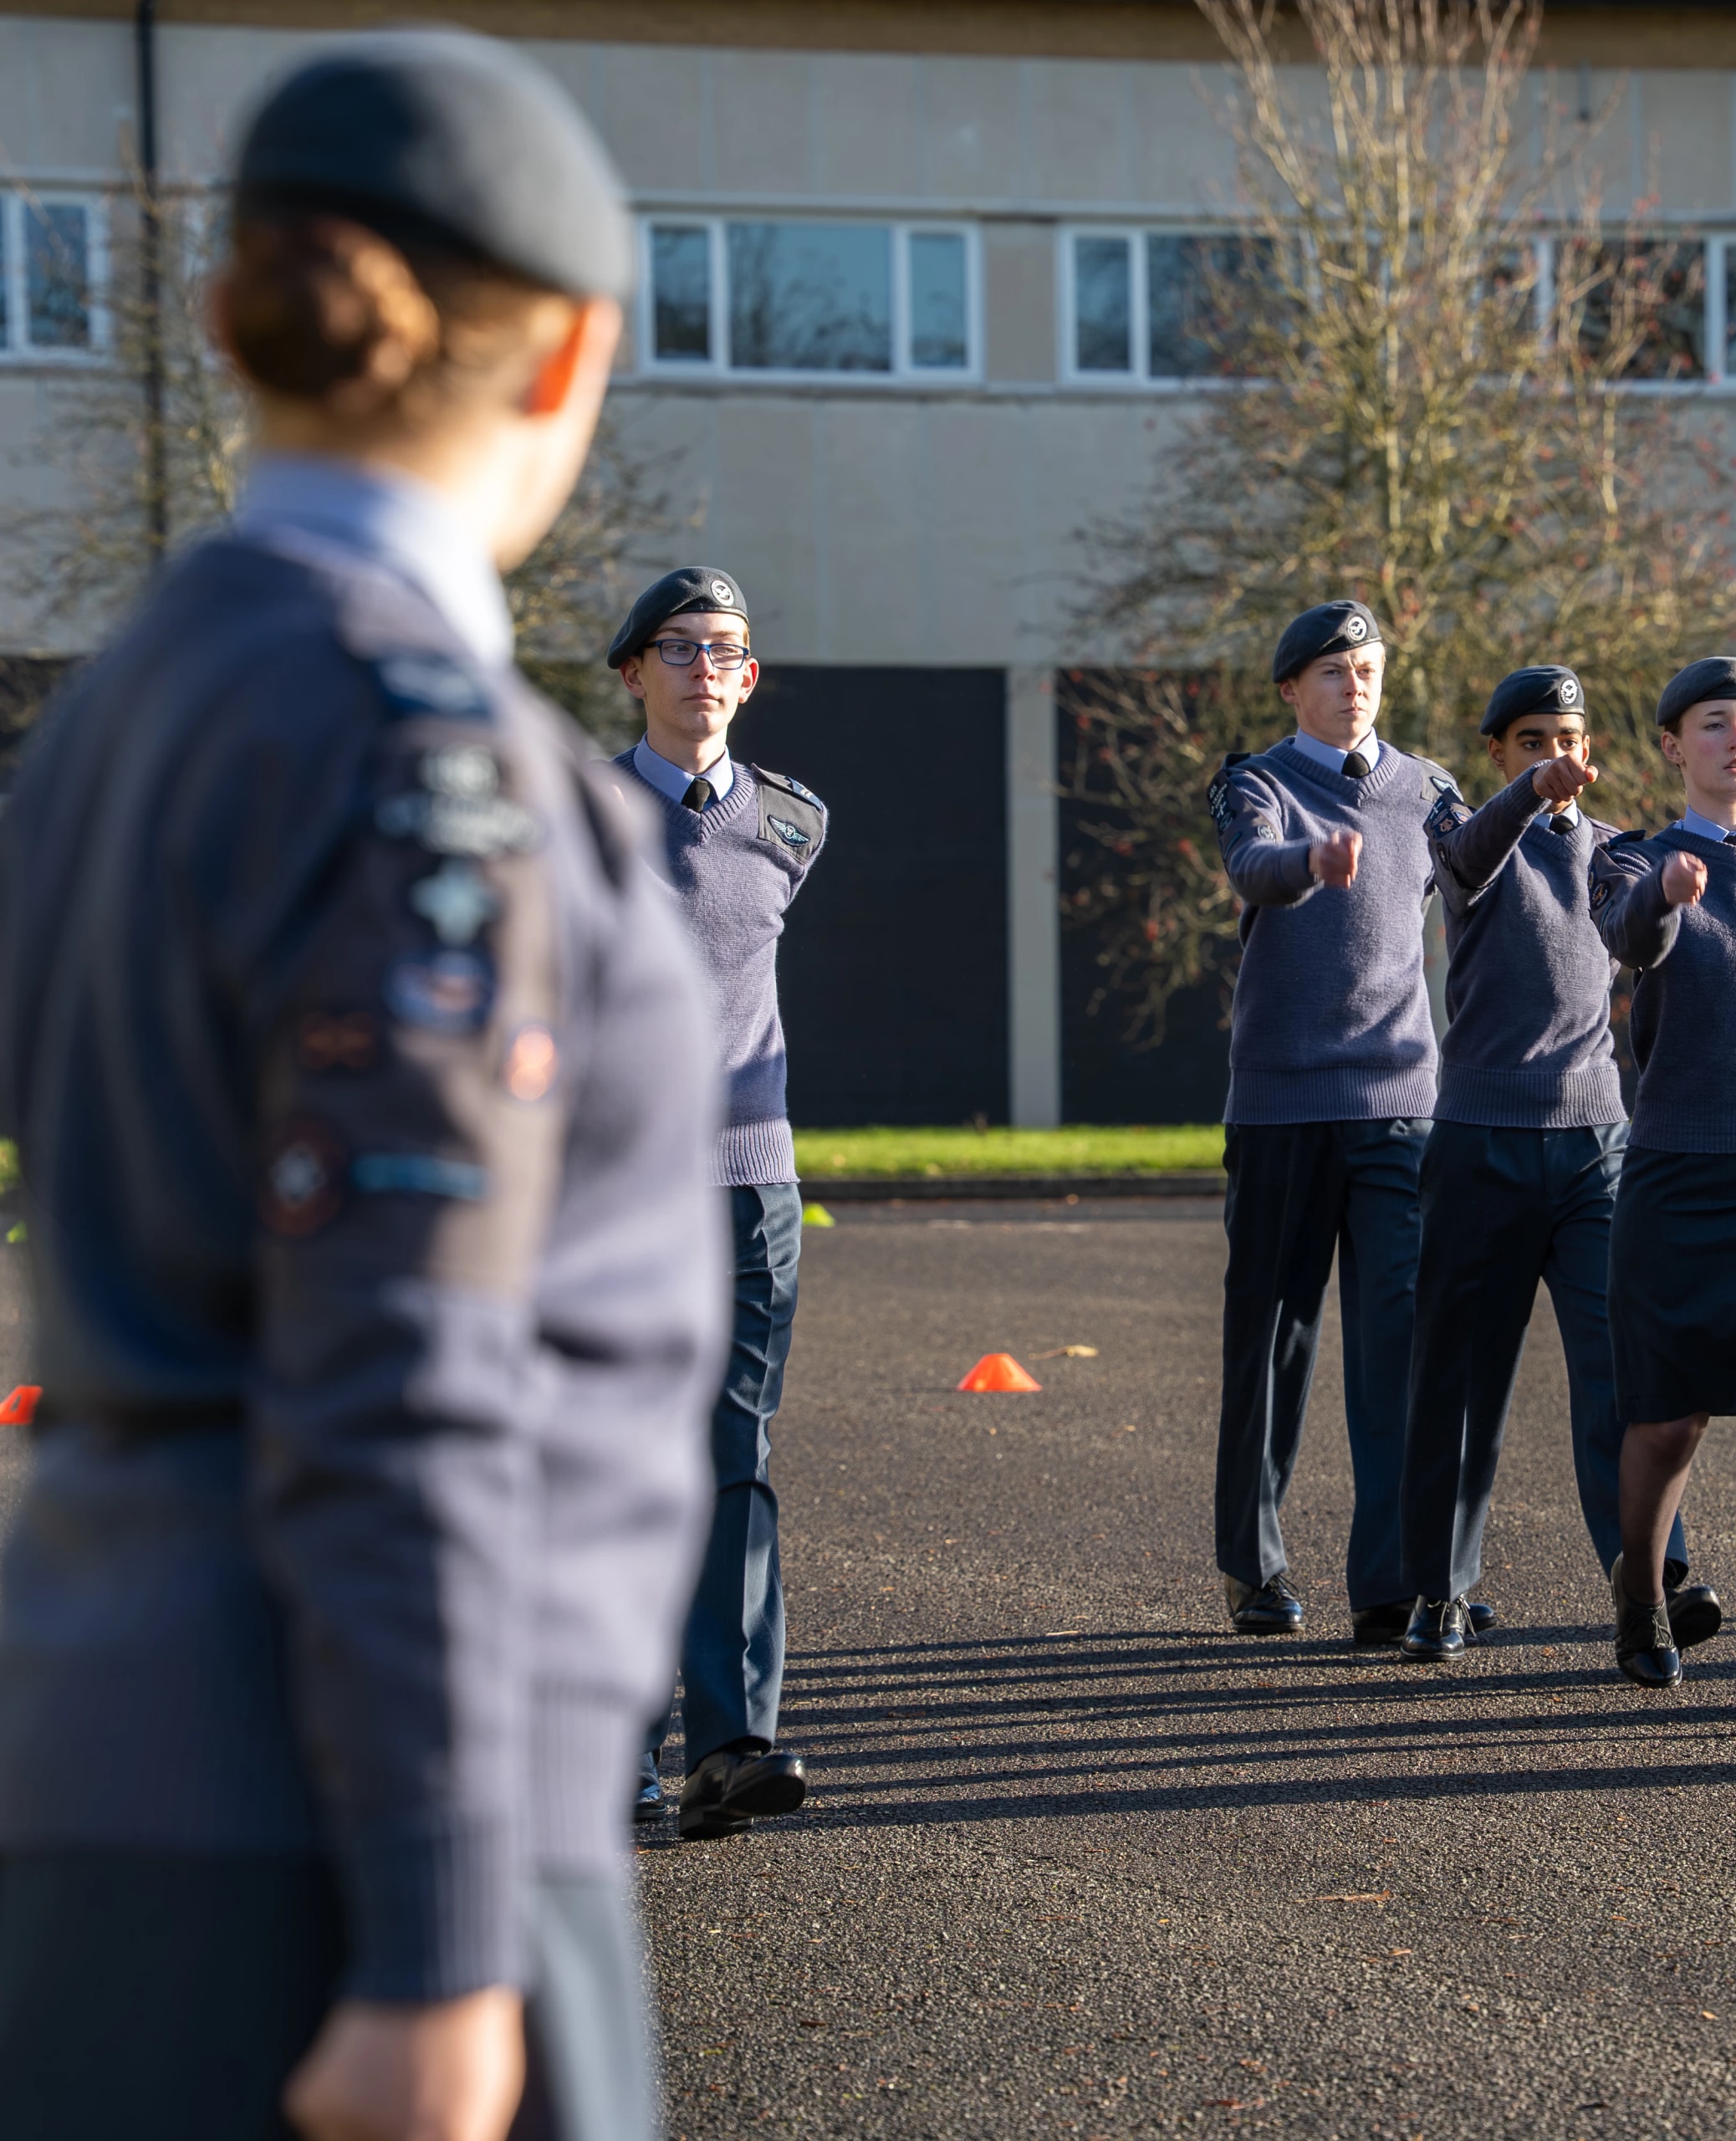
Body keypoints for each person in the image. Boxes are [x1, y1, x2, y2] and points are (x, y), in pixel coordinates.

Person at [0, 32, 723, 2141]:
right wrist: (438, 1931)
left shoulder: (128, 705)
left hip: (114, 1782)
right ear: (568, 350)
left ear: (242, 318)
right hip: (350, 1861)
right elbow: (403, 1356)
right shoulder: (426, 756)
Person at [1396, 665, 1679, 1661]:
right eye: (1530, 742)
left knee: (1623, 1372)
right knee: (1461, 1376)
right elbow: (1472, 852)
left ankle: (1651, 1586)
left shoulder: (1615, 852)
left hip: (1595, 1146)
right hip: (1480, 1143)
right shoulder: (1467, 837)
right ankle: (1440, 1587)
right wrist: (1529, 794)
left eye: (1567, 741)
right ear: (1497, 753)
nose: (1554, 758)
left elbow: (1648, 934)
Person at [605, 566, 827, 1837]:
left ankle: (732, 1744)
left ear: (749, 679)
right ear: (634, 671)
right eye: (680, 647)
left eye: (726, 649)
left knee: (735, 1462)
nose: (705, 668)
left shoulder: (794, 821)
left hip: (752, 1188)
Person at [1208, 600, 1454, 1646]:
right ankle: (1253, 1563)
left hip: (1400, 1105)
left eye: (1368, 669)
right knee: (1273, 1339)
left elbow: (1494, 876)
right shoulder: (1255, 784)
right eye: (1333, 671)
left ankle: (1392, 1579)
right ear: (1290, 689)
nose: (1355, 685)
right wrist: (1310, 864)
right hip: (1284, 1106)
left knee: (1400, 1343)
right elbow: (1253, 865)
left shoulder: (1429, 790)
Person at [1589, 656, 1736, 1688]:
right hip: (1675, 1181)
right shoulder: (1632, 859)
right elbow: (1627, 936)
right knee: (1666, 1422)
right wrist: (1666, 893)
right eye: (1716, 723)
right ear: (1672, 746)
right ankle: (1641, 1598)